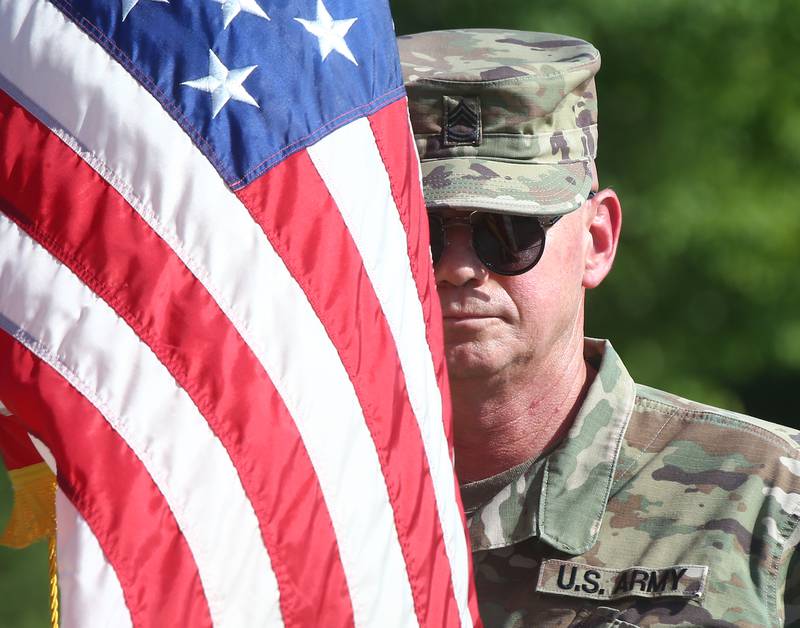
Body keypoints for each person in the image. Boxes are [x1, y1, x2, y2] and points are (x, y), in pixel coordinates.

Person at [398, 28, 800, 627]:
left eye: (509, 232)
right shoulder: (284, 495)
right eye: (420, 230)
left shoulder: (768, 501)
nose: (458, 268)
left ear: (596, 240)